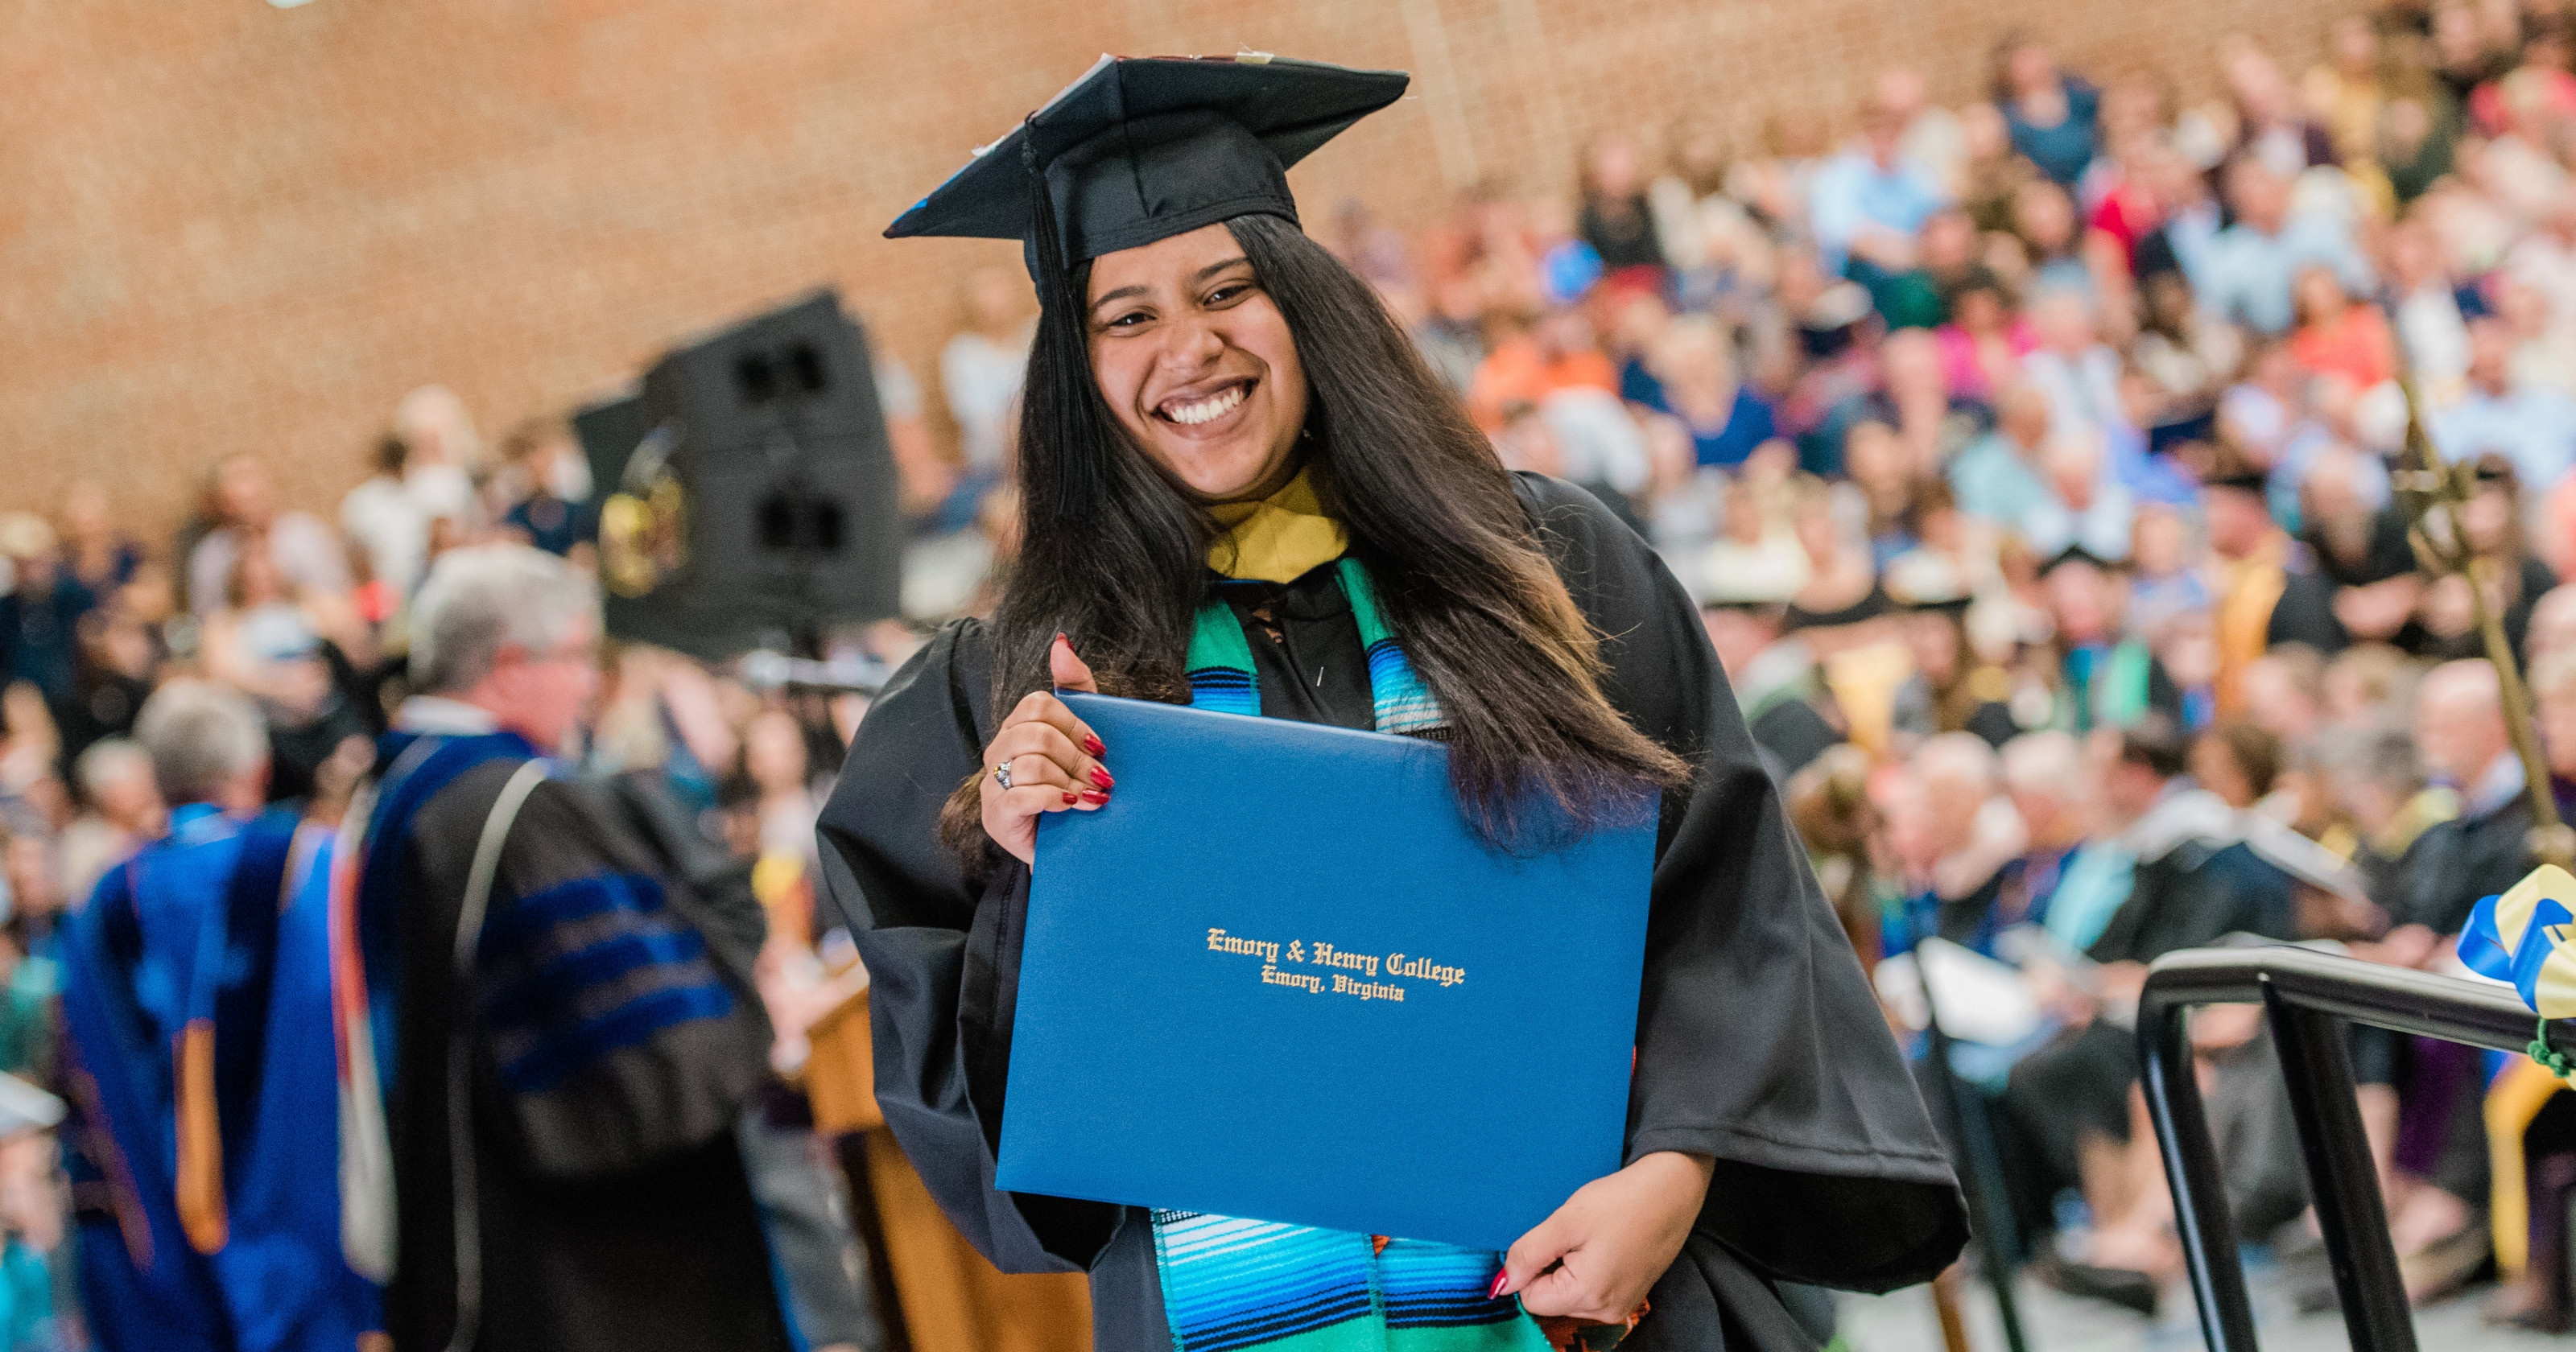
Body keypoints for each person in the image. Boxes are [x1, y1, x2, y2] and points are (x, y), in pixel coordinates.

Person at [840, 55, 1964, 1352]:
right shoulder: (1008, 693)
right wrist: (1035, 876)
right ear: (1074, 373)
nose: (1189, 348)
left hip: (1589, 1311)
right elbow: (1007, 1162)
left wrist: (1676, 1175)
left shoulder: (1541, 568)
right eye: (1126, 317)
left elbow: (1729, 904)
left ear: (1310, 305)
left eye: (1228, 289)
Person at [337, 544, 789, 1350]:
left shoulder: (393, 793)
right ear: (509, 665)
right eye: (578, 655)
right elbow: (650, 1058)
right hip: (594, 1264)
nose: (590, 683)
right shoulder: (520, 810)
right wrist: (746, 1025)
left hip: (465, 1223)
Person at [60, 680, 380, 1350]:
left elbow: (100, 1077)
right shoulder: (314, 866)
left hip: (171, 1229)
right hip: (308, 1222)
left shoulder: (105, 900)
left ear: (156, 776)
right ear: (256, 769)